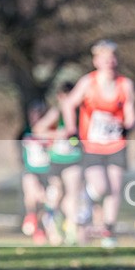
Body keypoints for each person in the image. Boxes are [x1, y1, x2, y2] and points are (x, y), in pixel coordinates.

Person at [60, 40, 135, 248]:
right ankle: (87, 199)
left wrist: (129, 125)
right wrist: (71, 128)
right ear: (96, 61)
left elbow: (130, 111)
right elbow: (68, 104)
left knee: (115, 188)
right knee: (101, 187)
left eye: (112, 57)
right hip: (92, 144)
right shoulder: (88, 83)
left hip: (116, 143)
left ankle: (109, 231)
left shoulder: (125, 84)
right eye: (104, 58)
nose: (109, 62)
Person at [32, 82, 85, 245]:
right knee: (55, 195)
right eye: (64, 97)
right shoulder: (57, 112)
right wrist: (58, 134)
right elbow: (38, 130)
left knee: (73, 194)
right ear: (59, 97)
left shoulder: (82, 113)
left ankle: (71, 230)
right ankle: (52, 227)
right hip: (55, 160)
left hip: (74, 159)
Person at [19, 100, 52, 245]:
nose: (35, 116)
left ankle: (40, 227)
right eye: (33, 113)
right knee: (31, 192)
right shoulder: (25, 131)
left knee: (43, 200)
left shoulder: (50, 131)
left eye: (39, 113)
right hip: (31, 170)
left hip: (47, 171)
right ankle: (31, 217)